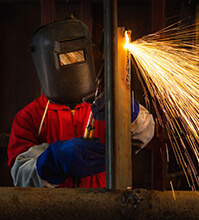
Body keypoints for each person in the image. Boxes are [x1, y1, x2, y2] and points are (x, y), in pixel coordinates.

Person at [7, 19, 155, 188]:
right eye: (64, 58)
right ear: (44, 61)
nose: (71, 63)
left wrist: (127, 110)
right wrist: (55, 161)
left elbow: (145, 132)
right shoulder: (30, 117)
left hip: (105, 208)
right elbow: (21, 177)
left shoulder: (104, 105)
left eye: (76, 56)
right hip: (56, 211)